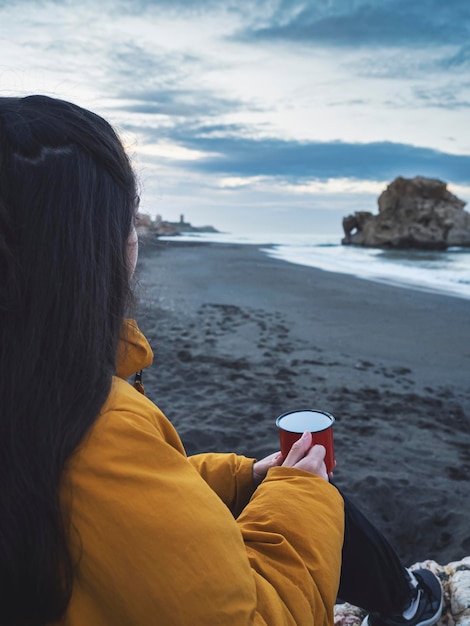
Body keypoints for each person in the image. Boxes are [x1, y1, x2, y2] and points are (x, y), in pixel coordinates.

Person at [0, 95, 443, 626]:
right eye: (127, 215)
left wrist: (241, 478)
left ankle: (403, 597)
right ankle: (410, 602)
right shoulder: (94, 415)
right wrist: (300, 490)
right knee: (319, 493)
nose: (134, 235)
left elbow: (109, 498)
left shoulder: (32, 390)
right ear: (84, 244)